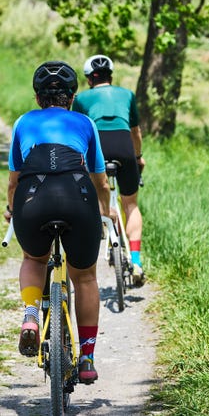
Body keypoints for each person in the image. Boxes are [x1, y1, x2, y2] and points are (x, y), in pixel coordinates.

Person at [4, 60, 112, 384]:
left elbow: (13, 182)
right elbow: (101, 182)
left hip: (32, 200)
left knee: (33, 258)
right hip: (77, 198)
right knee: (85, 278)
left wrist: (12, 211)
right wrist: (106, 212)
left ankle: (31, 318)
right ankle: (88, 357)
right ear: (73, 96)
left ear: (38, 98)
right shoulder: (84, 123)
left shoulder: (23, 122)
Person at [72, 54, 146, 284]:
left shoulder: (82, 99)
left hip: (98, 145)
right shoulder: (127, 95)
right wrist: (138, 157)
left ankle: (101, 227)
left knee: (93, 193)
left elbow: (78, 132)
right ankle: (136, 261)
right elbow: (135, 132)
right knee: (131, 204)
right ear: (111, 76)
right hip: (124, 145)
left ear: (88, 79)